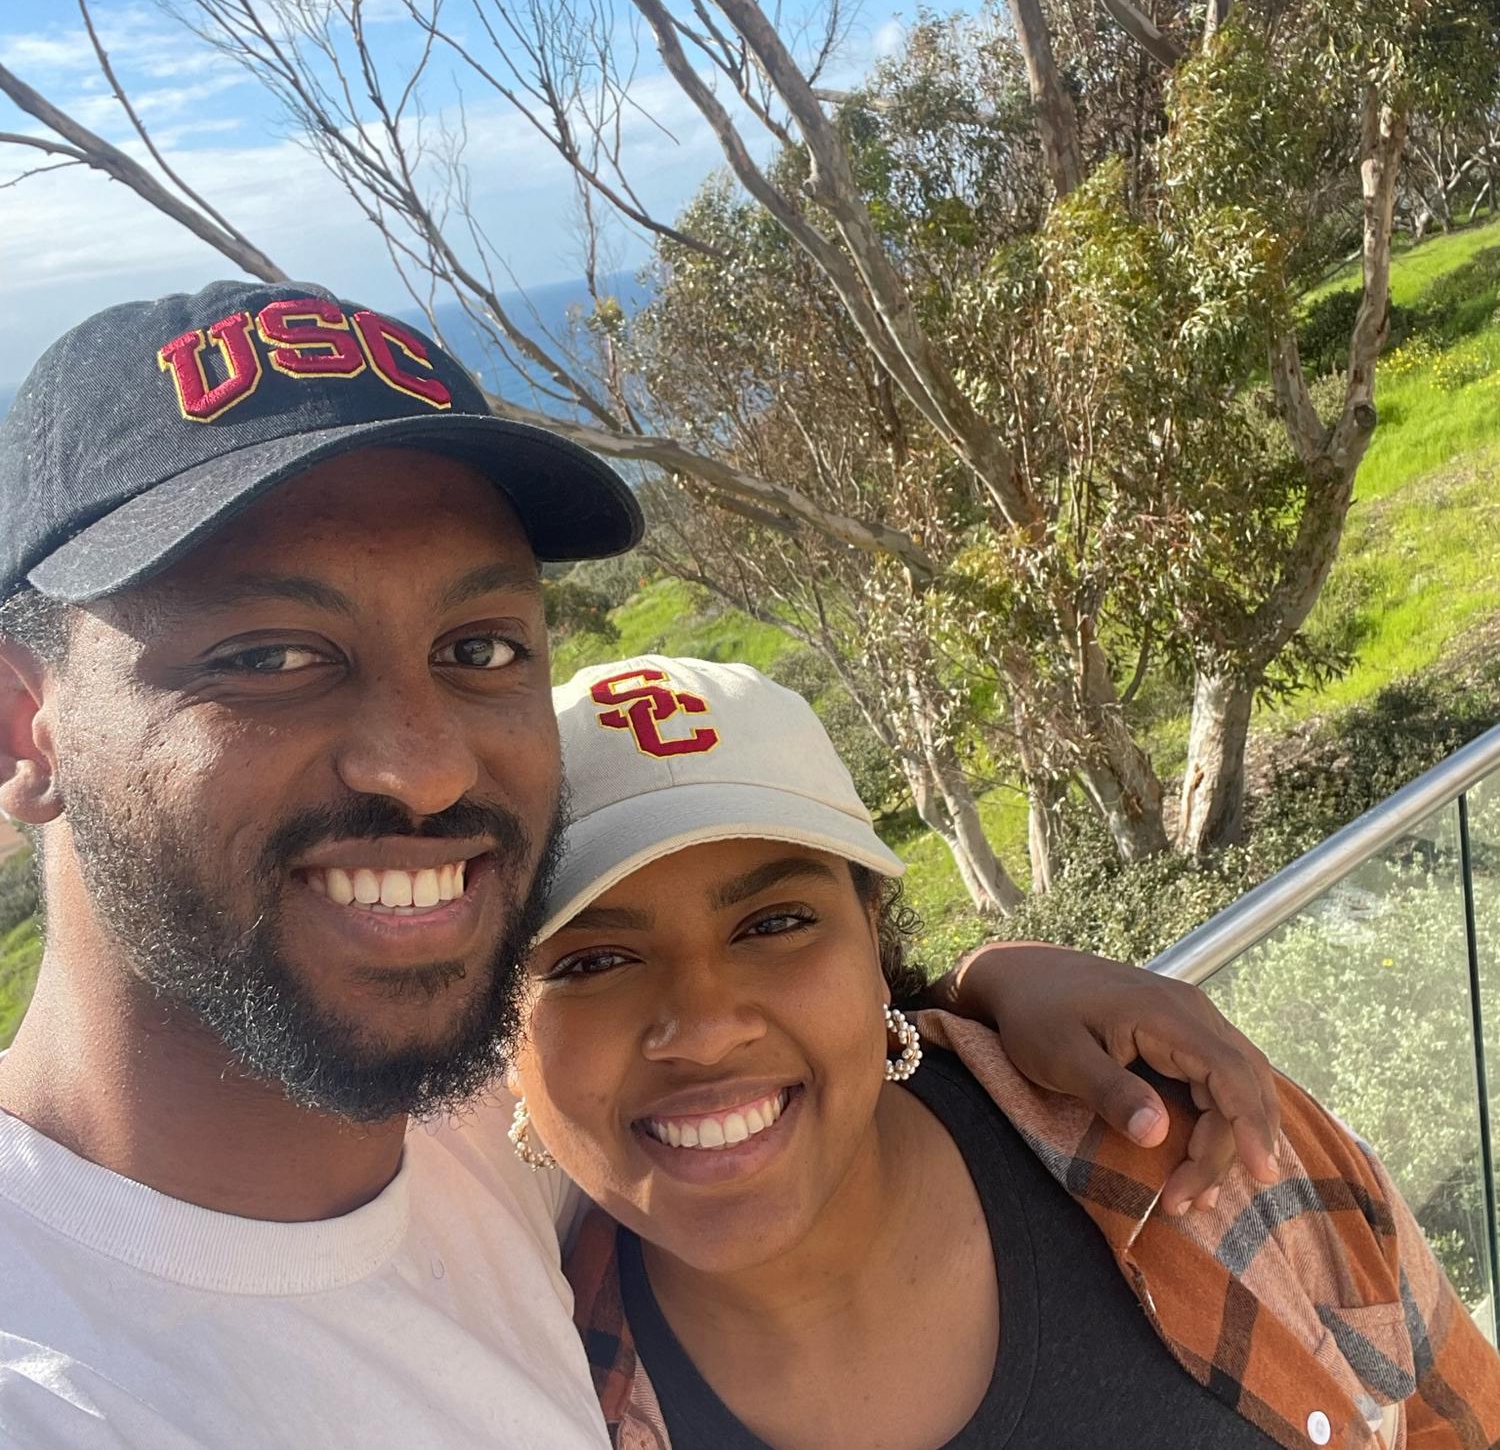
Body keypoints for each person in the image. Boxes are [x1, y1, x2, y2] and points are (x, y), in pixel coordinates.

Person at [0, 281, 1282, 1449]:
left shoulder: (463, 1137)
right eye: (270, 655)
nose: (427, 766)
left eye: (482, 645)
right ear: (26, 731)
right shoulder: (58, 1381)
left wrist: (993, 988)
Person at [507, 655, 1500, 1450]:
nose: (708, 1022)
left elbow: (1452, 1413)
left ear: (872, 932)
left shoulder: (1196, 1143)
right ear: (493, 1034)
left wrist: (988, 973)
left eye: (774, 923)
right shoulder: (529, 1395)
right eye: (594, 959)